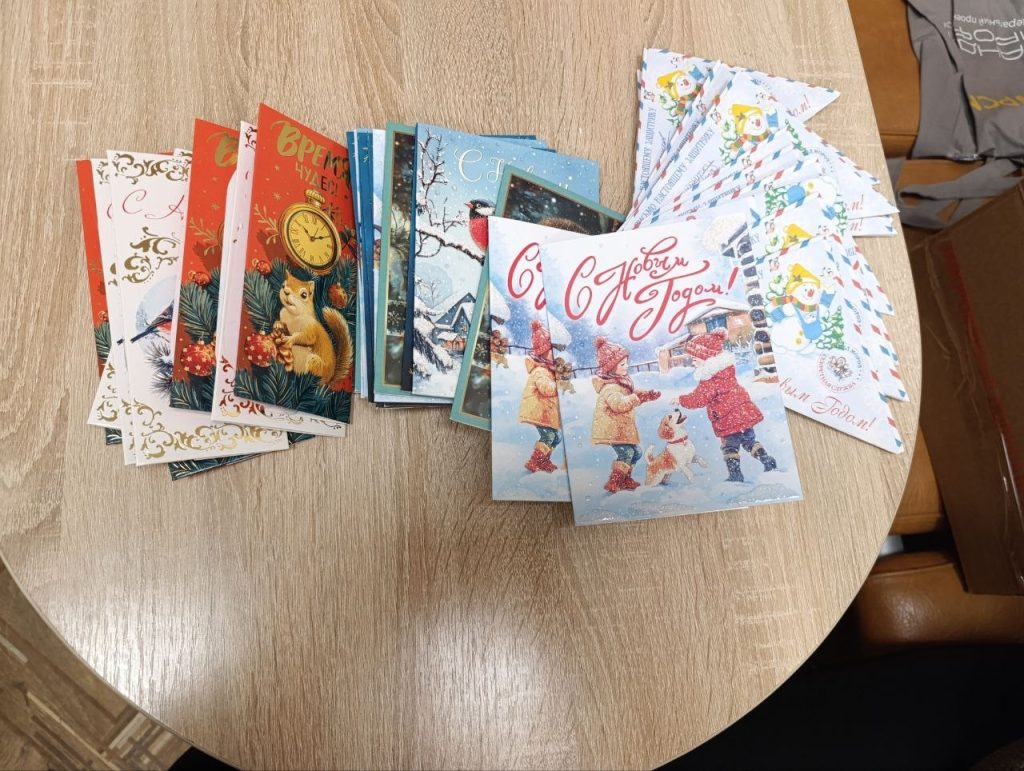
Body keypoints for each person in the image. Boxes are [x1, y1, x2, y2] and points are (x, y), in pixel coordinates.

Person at [677, 329, 777, 482]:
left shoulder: (710, 378)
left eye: (694, 358)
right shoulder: (726, 370)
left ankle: (735, 475)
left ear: (706, 356)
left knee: (729, 447)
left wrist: (681, 400)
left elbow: (699, 399)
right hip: (743, 414)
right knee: (749, 441)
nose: (693, 362)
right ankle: (766, 459)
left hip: (728, 419)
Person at [590, 337, 660, 493]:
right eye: (622, 364)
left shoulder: (621, 382)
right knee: (627, 453)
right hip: (612, 429)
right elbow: (619, 404)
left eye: (626, 363)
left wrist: (645, 395)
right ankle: (614, 482)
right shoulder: (610, 388)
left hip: (621, 428)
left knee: (636, 452)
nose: (626, 366)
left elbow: (630, 397)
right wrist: (635, 398)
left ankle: (625, 478)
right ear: (611, 368)